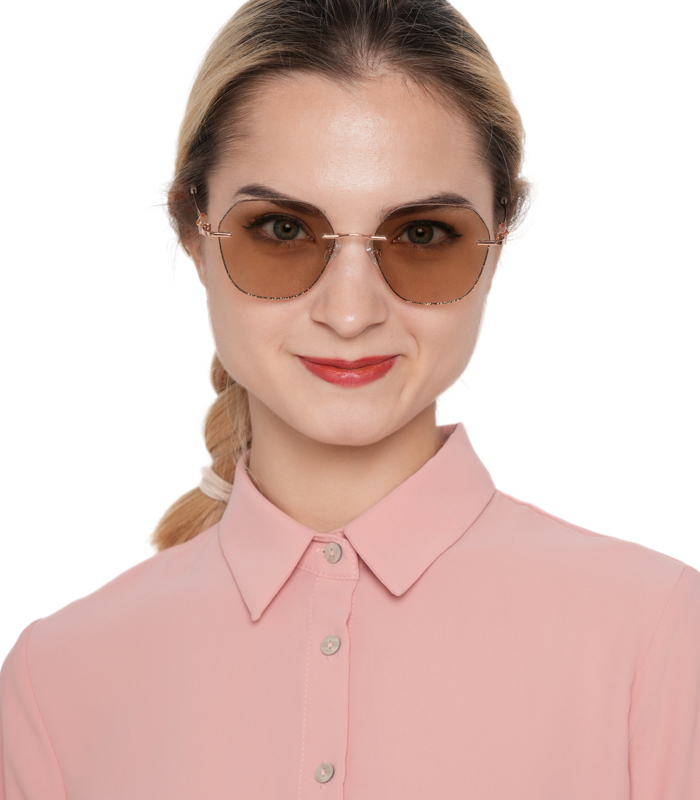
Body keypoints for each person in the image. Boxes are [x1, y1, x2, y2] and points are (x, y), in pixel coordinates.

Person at [1, 0, 698, 796]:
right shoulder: (56, 687)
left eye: (422, 234)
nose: (350, 311)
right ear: (194, 232)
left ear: (499, 238)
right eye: (283, 231)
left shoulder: (657, 642)